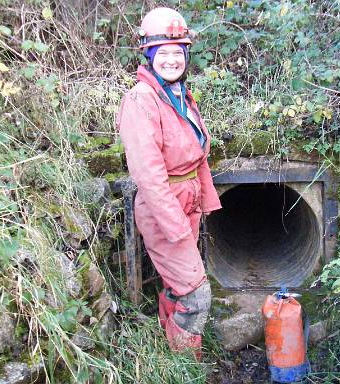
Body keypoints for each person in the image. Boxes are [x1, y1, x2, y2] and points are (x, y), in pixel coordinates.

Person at [117, 7, 222, 359]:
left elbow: (197, 155)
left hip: (186, 202)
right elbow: (149, 176)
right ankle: (185, 363)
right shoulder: (141, 100)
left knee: (179, 287)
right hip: (165, 208)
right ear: (149, 56)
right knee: (195, 293)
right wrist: (176, 226)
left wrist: (203, 202)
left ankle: (169, 339)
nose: (172, 60)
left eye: (179, 52)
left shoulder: (179, 95)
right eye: (163, 53)